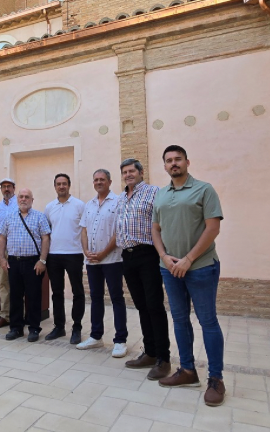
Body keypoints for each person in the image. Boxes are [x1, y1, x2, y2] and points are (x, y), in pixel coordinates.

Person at [152, 145, 226, 406]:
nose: (174, 164)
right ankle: (187, 370)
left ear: (187, 162)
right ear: (164, 166)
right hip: (170, 269)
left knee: (208, 322)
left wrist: (188, 259)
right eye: (169, 160)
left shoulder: (203, 189)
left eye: (178, 159)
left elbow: (213, 228)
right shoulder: (161, 195)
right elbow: (155, 229)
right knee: (180, 321)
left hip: (201, 267)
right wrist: (163, 256)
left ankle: (216, 379)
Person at [116, 158, 171, 381]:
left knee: (154, 305)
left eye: (132, 171)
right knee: (141, 306)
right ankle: (150, 352)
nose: (128, 175)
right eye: (125, 172)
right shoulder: (121, 197)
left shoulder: (154, 192)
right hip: (127, 257)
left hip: (148, 254)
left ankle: (163, 359)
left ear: (141, 172)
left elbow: (162, 223)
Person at [77, 169, 128, 358]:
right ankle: (96, 336)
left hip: (113, 259)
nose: (99, 182)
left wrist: (103, 253)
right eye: (96, 179)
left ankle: (120, 340)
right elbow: (83, 230)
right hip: (91, 261)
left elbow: (119, 231)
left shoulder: (118, 202)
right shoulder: (89, 205)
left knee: (116, 298)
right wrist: (86, 252)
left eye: (102, 179)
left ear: (109, 181)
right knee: (96, 298)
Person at [0, 188, 51, 342]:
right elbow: (2, 238)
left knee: (34, 297)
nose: (23, 199)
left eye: (27, 197)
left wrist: (43, 260)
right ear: (17, 199)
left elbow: (45, 239)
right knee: (15, 296)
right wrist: (2, 258)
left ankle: (34, 328)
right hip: (13, 261)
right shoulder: (9, 217)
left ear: (32, 200)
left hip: (33, 262)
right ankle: (16, 328)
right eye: (21, 197)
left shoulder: (40, 217)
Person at [43, 173, 86, 344]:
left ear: (69, 185)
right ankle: (59, 327)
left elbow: (84, 230)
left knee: (78, 292)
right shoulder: (49, 207)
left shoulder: (79, 205)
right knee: (57, 293)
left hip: (74, 254)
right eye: (58, 184)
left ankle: (77, 328)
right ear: (55, 187)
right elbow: (46, 233)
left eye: (64, 184)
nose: (62, 186)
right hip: (54, 255)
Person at [0, 177, 19, 329]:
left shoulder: (19, 203)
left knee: (17, 283)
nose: (6, 189)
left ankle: (18, 316)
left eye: (9, 186)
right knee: (3, 283)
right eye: (4, 187)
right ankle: (4, 316)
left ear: (14, 188)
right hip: (0, 248)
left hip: (15, 247)